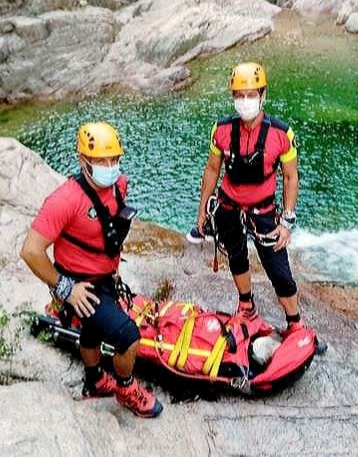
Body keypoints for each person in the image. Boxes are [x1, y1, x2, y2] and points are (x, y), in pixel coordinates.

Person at [20, 122, 162, 418]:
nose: (109, 167)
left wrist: (113, 269)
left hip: (104, 276)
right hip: (79, 284)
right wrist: (65, 288)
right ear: (83, 160)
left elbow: (108, 230)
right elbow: (31, 251)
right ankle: (126, 389)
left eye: (114, 160)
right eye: (100, 161)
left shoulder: (119, 185)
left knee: (92, 330)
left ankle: (95, 381)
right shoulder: (64, 201)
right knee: (128, 336)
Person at [190, 62, 304, 332]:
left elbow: (290, 177)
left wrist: (287, 221)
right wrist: (203, 209)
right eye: (239, 95)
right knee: (236, 256)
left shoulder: (282, 134)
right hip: (229, 206)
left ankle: (295, 322)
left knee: (278, 269)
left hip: (263, 211)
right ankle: (246, 304)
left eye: (251, 94)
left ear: (263, 95)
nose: (245, 101)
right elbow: (212, 169)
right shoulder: (221, 130)